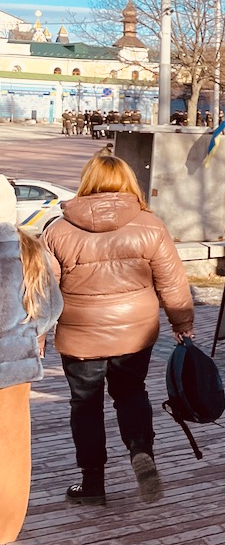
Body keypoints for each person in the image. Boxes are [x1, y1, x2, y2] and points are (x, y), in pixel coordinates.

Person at [41, 155, 194, 506]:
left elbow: (43, 291)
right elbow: (172, 282)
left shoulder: (57, 230)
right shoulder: (150, 225)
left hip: (80, 335)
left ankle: (92, 483)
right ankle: (142, 451)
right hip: (134, 332)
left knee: (85, 405)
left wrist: (38, 335)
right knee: (130, 393)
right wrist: (182, 323)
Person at [1, 177, 65, 544]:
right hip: (13, 369)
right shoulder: (29, 250)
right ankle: (3, 531)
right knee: (8, 456)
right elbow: (48, 309)